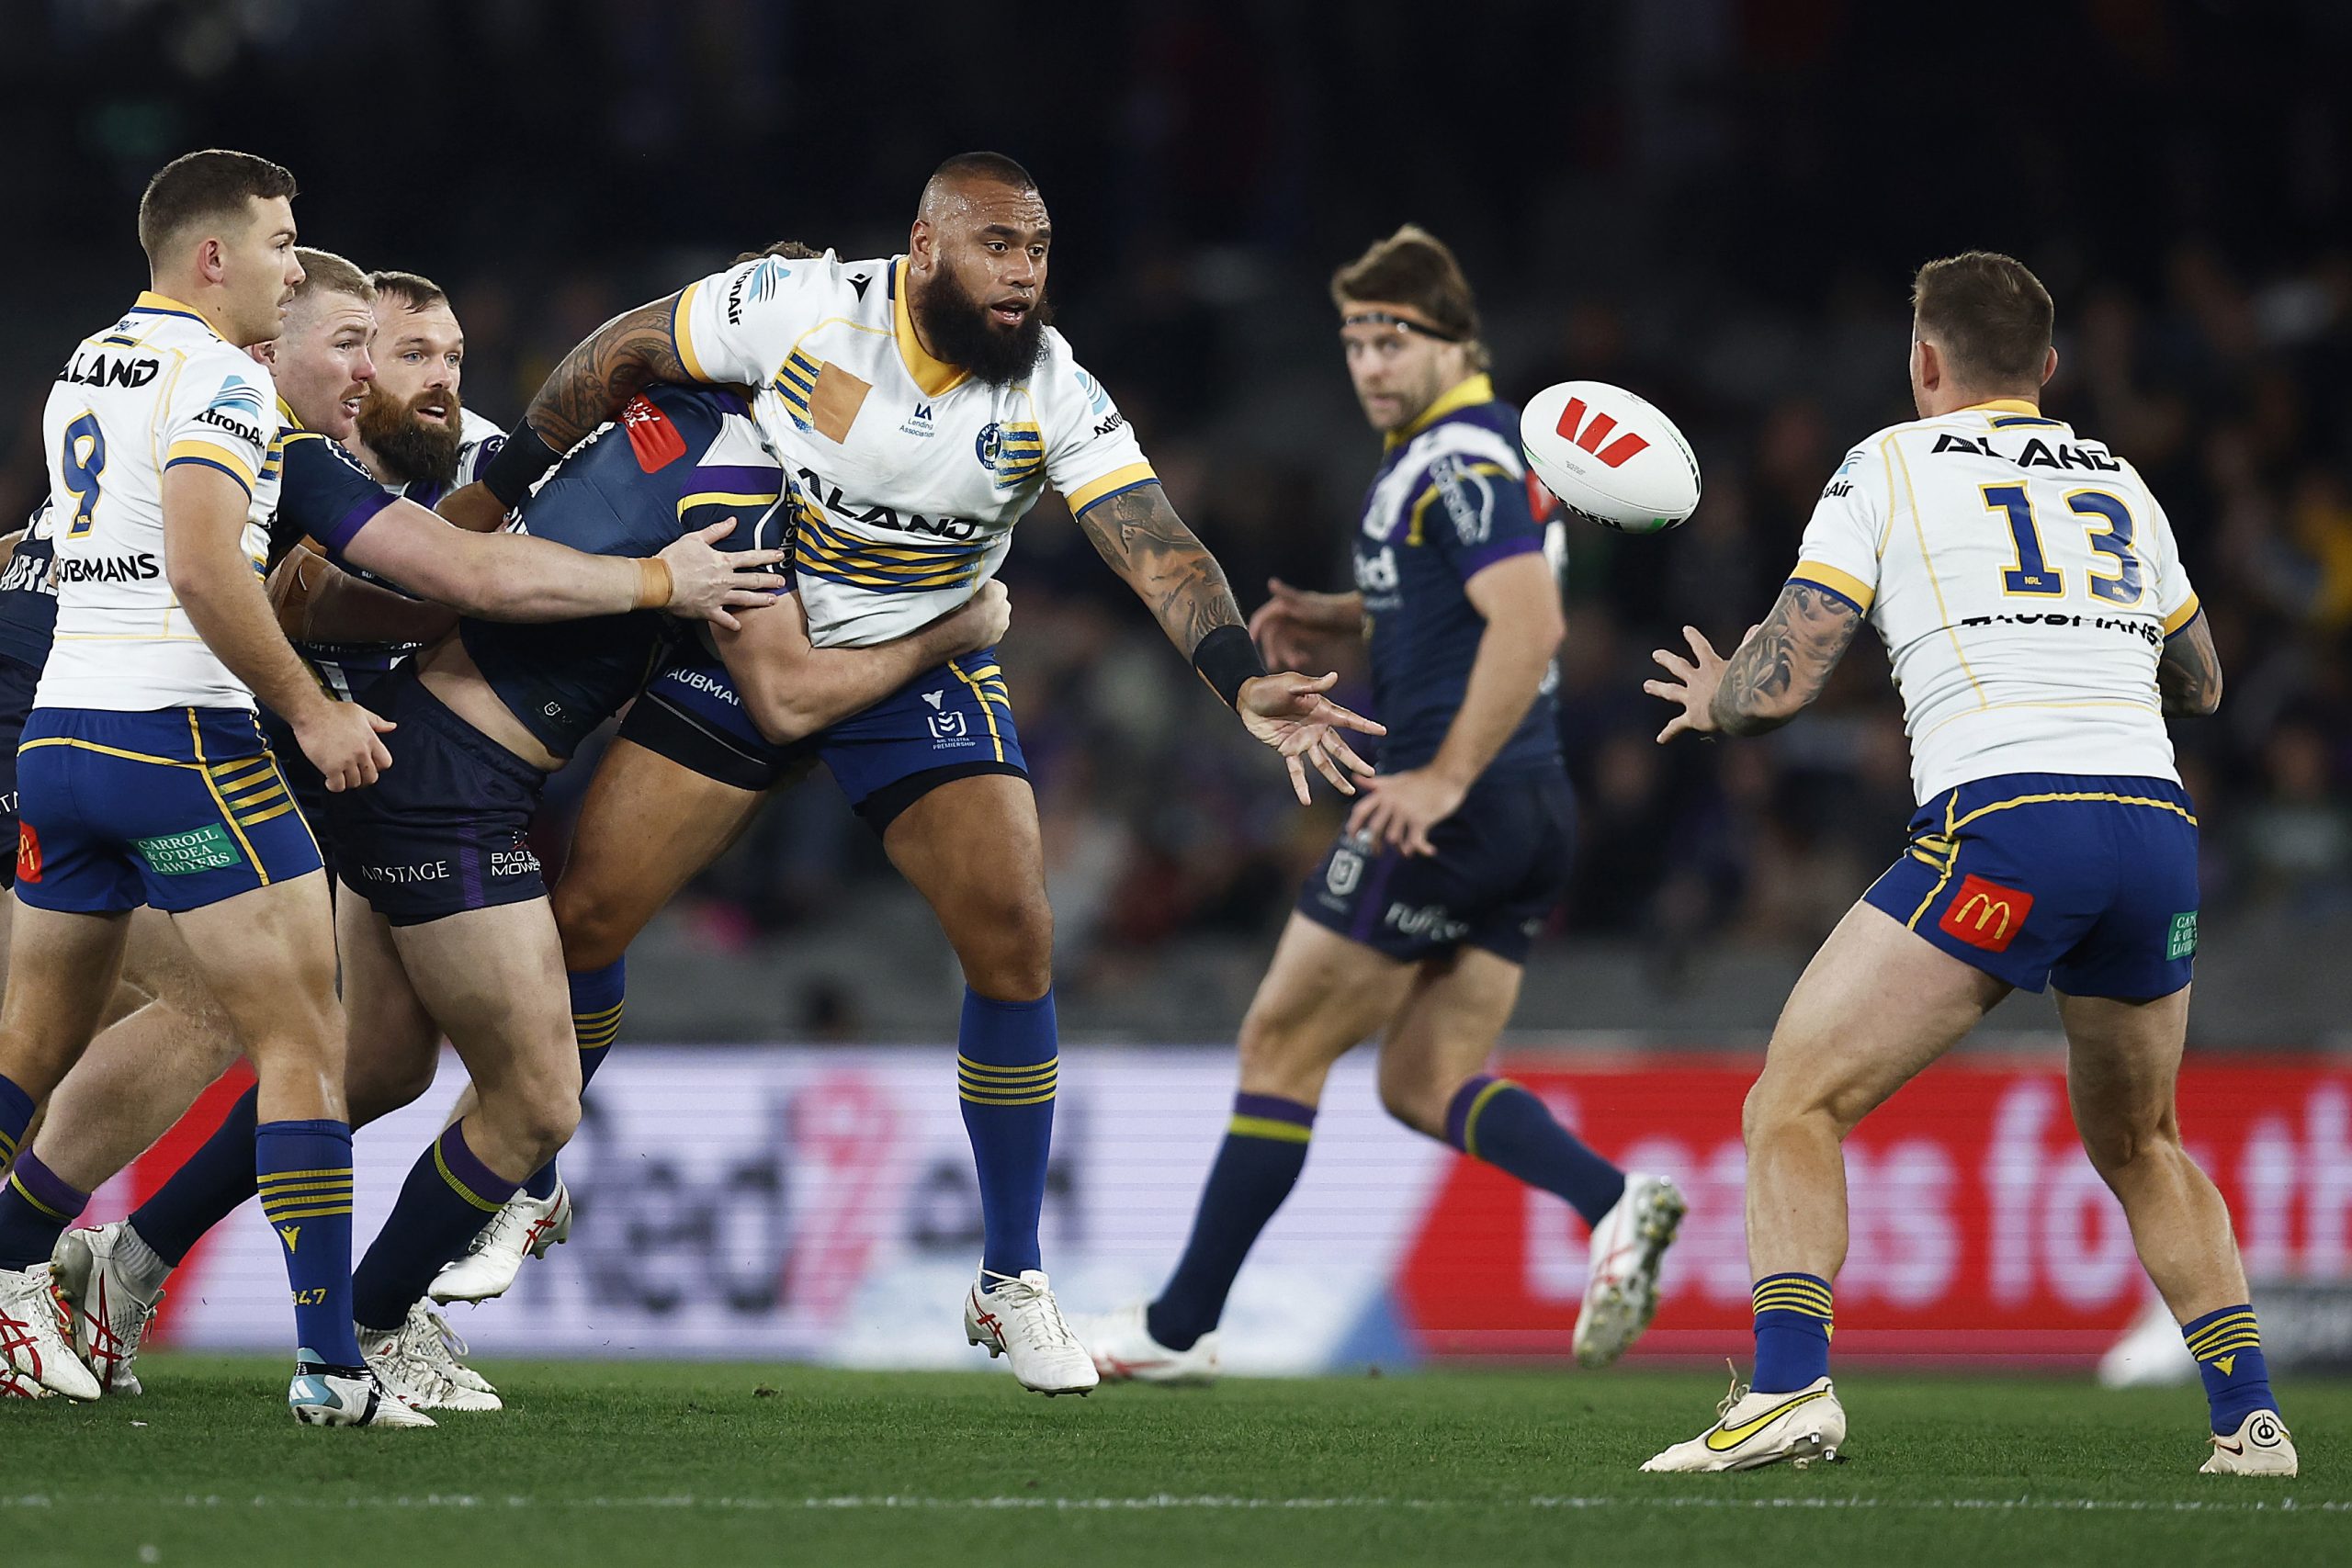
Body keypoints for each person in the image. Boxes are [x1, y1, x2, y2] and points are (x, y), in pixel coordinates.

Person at [440, 153, 1383, 1396]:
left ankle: (1008, 1276)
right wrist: (496, 489)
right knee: (592, 913)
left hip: (918, 663)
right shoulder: (803, 307)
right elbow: (623, 351)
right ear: (925, 247)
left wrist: (1237, 673)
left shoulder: (1053, 388)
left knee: (1013, 932)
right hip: (753, 626)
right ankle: (535, 1167)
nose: (1025, 273)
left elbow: (1154, 545)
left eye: (1039, 250)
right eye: (1000, 246)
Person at [18, 248, 785, 1403]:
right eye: (401, 353)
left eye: (453, 356)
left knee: (358, 1059)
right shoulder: (259, 440)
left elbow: (463, 562)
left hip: (321, 773)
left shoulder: (468, 457)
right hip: (203, 757)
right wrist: (628, 588)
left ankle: (131, 1263)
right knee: (221, 1023)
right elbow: (384, 584)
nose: (435, 379)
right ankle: (109, 1280)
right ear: (340, 361)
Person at [1637, 252, 2291, 1477]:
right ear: (2047, 369)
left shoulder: (1884, 462)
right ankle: (2251, 1422)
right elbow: (2200, 679)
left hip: (2013, 823)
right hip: (2154, 828)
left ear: (1924, 361)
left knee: (1792, 1098)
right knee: (2146, 1141)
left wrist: (1723, 702)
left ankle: (1787, 1389)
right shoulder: (2122, 480)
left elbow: (1788, 672)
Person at [1074, 226, 1683, 1384]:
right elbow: (1467, 593)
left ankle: (1177, 1326)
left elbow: (1531, 622)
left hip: (1457, 802)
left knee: (1279, 1041)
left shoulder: (1453, 457)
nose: (1367, 363)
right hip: (1533, 808)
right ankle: (1613, 1200)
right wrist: (1346, 614)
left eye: (1392, 338)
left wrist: (1442, 775)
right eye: (1354, 339)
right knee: (1420, 1080)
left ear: (1457, 341)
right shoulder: (1485, 455)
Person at [0, 150, 424, 1425]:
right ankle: (330, 1363)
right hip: (178, 737)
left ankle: (18, 1266)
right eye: (283, 244)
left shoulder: (91, 359)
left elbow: (74, 547)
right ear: (212, 257)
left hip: (58, 748)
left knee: (31, 1050)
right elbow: (199, 564)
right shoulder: (223, 379)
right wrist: (314, 705)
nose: (292, 264)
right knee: (305, 1037)